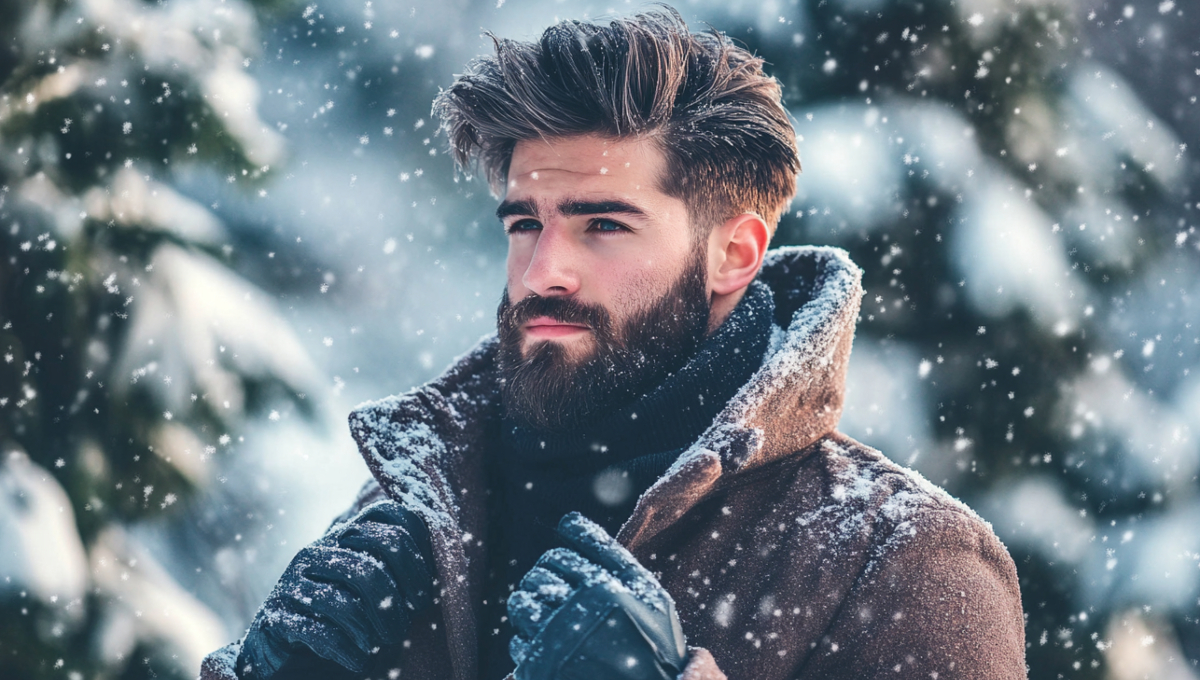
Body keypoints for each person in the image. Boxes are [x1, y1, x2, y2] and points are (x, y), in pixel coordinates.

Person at [201, 8, 1027, 680]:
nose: (543, 271)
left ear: (733, 253)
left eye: (603, 226)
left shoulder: (897, 566)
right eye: (526, 223)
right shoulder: (422, 507)